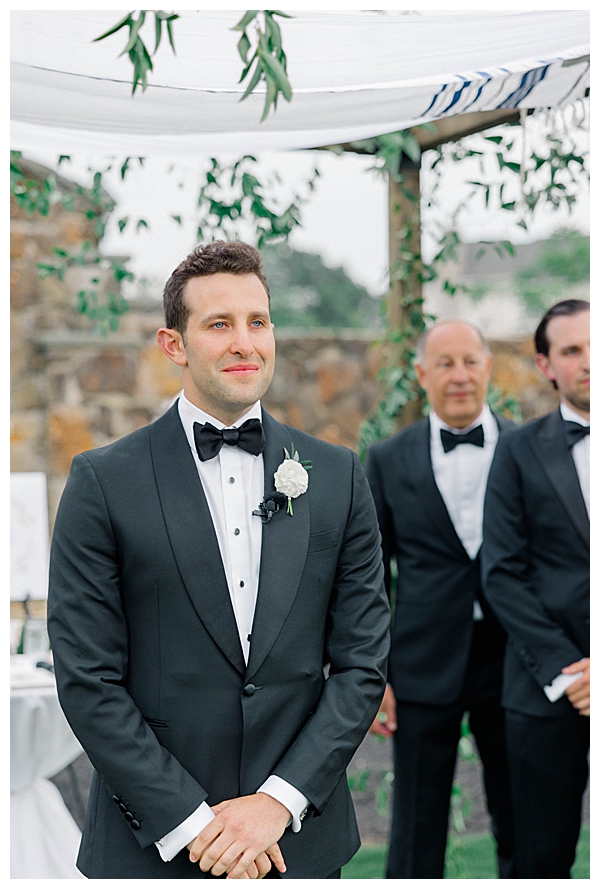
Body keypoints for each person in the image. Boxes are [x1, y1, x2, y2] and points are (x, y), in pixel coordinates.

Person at [47, 240, 390, 880]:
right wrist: (194, 825)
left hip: (297, 842)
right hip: (153, 844)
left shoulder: (338, 477)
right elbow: (88, 678)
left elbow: (361, 663)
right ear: (173, 344)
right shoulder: (101, 481)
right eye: (218, 324)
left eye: (258, 322)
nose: (244, 343)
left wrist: (276, 803)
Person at [365, 320, 515, 879]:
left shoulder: (528, 449)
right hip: (422, 663)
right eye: (445, 364)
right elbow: (369, 575)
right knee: (415, 828)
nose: (459, 377)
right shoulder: (385, 459)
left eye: (469, 362)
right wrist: (375, 674)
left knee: (521, 816)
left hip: (515, 660)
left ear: (488, 368)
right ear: (422, 375)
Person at [481, 299, 589, 878]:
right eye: (572, 350)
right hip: (549, 691)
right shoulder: (518, 450)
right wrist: (570, 671)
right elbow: (501, 572)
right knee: (540, 862)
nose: (589, 361)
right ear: (547, 366)